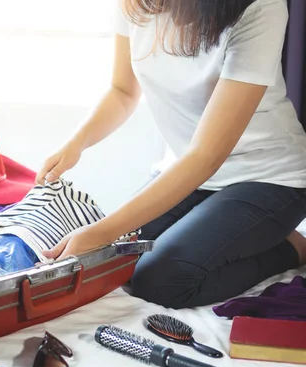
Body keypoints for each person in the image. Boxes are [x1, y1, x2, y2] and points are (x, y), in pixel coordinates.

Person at [36, 0, 306, 309]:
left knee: (160, 280)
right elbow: (123, 91)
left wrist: (101, 231)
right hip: (188, 172)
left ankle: (292, 248)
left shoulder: (260, 7)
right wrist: (76, 144)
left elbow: (207, 155)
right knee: (113, 262)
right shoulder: (135, 5)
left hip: (268, 177)